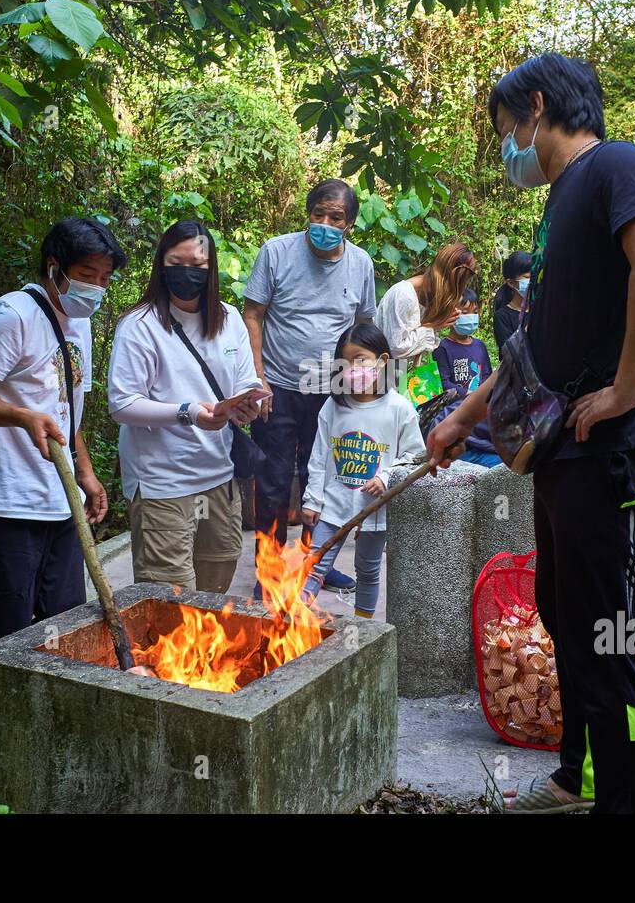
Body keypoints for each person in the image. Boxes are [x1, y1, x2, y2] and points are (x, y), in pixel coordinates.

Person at [427, 53, 635, 814]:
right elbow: (533, 355)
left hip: (609, 453)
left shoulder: (616, 166)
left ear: (536, 107)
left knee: (609, 641)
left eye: (508, 129)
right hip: (565, 454)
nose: (510, 148)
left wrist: (628, 385)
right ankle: (578, 780)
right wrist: (461, 420)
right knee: (565, 615)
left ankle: (621, 804)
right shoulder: (562, 204)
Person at [0, 217, 124, 646]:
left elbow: (63, 409)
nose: (96, 288)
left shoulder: (77, 323)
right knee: (8, 637)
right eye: (86, 275)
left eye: (104, 278)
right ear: (53, 267)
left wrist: (85, 472)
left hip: (59, 503)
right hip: (3, 507)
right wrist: (22, 417)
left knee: (65, 630)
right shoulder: (11, 316)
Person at [108, 221, 265, 593]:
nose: (186, 273)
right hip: (164, 484)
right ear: (161, 266)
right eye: (176, 263)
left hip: (218, 479)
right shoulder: (140, 326)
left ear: (211, 269)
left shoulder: (228, 320)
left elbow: (246, 381)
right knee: (169, 598)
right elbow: (122, 403)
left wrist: (248, 405)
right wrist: (189, 412)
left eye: (197, 265)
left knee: (215, 587)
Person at [243, 179, 378, 594]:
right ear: (307, 212)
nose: (324, 223)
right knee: (273, 478)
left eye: (335, 217)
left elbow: (364, 326)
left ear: (350, 223)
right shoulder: (277, 251)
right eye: (317, 214)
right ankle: (269, 570)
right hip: (279, 387)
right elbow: (252, 315)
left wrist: (363, 385)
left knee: (328, 480)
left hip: (332, 389)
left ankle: (315, 564)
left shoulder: (361, 264)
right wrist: (257, 379)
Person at [300, 323, 426, 615]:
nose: (353, 368)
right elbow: (319, 456)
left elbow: (415, 455)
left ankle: (363, 629)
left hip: (374, 508)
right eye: (346, 362)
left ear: (382, 361)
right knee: (314, 565)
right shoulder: (333, 407)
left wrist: (385, 476)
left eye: (361, 360)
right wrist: (312, 499)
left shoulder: (399, 408)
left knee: (368, 571)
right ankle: (294, 623)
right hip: (333, 505)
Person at [430, 288, 498, 467]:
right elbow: (444, 383)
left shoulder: (480, 346)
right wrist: (468, 395)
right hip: (455, 411)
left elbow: (487, 377)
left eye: (474, 313)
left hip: (480, 410)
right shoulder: (442, 348)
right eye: (465, 313)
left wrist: (481, 398)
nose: (471, 317)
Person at [375, 242, 475, 364]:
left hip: (403, 376)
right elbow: (396, 349)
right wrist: (433, 326)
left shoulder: (430, 298)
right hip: (385, 376)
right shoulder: (404, 294)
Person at [492, 250, 533, 356]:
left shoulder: (541, 309)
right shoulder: (502, 317)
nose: (533, 281)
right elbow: (508, 354)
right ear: (511, 282)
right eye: (527, 277)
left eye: (535, 276)